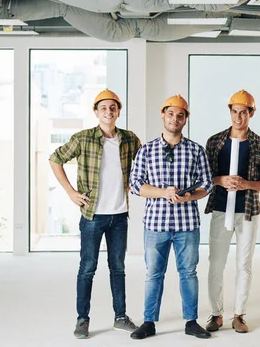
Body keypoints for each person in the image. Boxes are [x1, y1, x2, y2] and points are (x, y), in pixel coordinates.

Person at [49, 89, 141, 339]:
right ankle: (82, 320)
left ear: (118, 111)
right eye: (104, 108)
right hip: (93, 215)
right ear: (96, 111)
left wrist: (136, 182)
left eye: (113, 107)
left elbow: (141, 166)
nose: (109, 111)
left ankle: (120, 317)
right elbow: (55, 159)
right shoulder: (83, 138)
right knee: (87, 268)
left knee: (118, 268)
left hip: (120, 215)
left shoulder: (130, 139)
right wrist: (71, 192)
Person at [129, 94, 213, 340]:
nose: (175, 118)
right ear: (163, 115)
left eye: (180, 115)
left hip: (187, 225)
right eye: (171, 114)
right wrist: (163, 193)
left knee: (188, 272)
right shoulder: (147, 150)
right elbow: (135, 185)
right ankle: (148, 322)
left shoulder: (195, 150)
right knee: (154, 273)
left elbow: (207, 184)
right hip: (156, 225)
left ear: (185, 119)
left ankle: (191, 321)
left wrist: (189, 196)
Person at [204, 90, 260, 334]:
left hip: (247, 213)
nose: (238, 117)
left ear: (251, 113)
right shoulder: (215, 142)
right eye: (234, 112)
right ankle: (216, 314)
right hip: (220, 209)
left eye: (243, 112)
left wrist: (247, 184)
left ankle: (239, 315)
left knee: (244, 264)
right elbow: (203, 177)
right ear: (230, 112)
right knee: (216, 263)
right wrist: (220, 179)